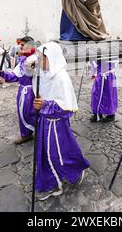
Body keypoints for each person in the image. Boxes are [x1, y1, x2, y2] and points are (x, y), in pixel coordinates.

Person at [32, 42, 90, 200]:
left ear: (53, 58)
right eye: (41, 57)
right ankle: (65, 172)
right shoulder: (44, 75)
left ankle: (57, 180)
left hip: (57, 122)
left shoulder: (61, 78)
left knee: (55, 153)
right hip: (45, 120)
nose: (40, 61)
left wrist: (44, 104)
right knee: (51, 151)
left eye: (44, 58)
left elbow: (66, 107)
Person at [0, 37, 37, 145]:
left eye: (22, 45)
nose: (20, 47)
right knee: (22, 113)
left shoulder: (35, 59)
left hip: (32, 91)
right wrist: (3, 73)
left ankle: (40, 131)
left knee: (30, 113)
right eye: (20, 45)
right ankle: (26, 134)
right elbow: (15, 76)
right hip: (22, 91)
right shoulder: (23, 60)